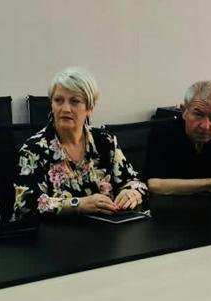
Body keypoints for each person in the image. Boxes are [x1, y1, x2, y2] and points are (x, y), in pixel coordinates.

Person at [13, 68, 148, 221]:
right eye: (58, 100)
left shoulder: (105, 141)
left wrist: (131, 193)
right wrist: (78, 204)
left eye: (75, 101)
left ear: (90, 108)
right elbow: (25, 205)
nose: (65, 108)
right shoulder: (34, 149)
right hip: (52, 232)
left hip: (102, 231)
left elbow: (136, 182)